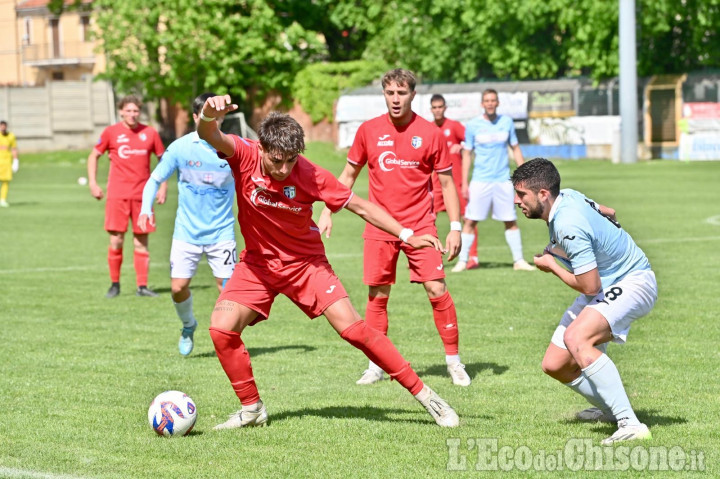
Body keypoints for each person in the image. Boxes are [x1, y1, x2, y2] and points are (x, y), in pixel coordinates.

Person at [197, 96, 459, 429]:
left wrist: (407, 234)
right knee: (221, 329)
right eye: (277, 161)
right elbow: (208, 133)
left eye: (291, 161)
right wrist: (208, 113)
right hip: (258, 265)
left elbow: (361, 207)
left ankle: (428, 397)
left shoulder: (310, 174)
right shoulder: (243, 153)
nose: (284, 169)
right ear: (261, 149)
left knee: (354, 330)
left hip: (307, 266)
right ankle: (252, 409)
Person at [319, 69, 471, 388]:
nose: (396, 99)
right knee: (377, 294)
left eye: (402, 93)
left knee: (437, 289)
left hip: (421, 225)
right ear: (384, 95)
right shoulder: (369, 131)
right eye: (390, 93)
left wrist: (455, 227)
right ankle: (376, 365)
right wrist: (327, 210)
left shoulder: (430, 134)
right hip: (379, 226)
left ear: (413, 95)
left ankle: (454, 362)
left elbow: (447, 183)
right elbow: (347, 176)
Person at [511, 158, 657, 444]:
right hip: (609, 281)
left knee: (578, 338)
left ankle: (630, 423)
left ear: (543, 194)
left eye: (522, 195)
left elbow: (590, 286)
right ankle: (610, 409)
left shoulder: (567, 224)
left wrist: (553, 265)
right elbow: (609, 212)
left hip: (632, 280)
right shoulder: (569, 196)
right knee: (555, 364)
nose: (517, 201)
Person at [138, 93, 236, 356]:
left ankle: (226, 338)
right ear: (196, 117)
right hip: (187, 233)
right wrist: (146, 208)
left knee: (227, 290)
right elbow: (154, 179)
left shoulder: (232, 148)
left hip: (222, 232)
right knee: (178, 287)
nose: (214, 120)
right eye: (208, 115)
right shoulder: (181, 148)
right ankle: (188, 325)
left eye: (219, 115)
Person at [87, 95, 166, 298]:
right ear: (121, 111)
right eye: (128, 111)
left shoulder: (149, 133)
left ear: (140, 112)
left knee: (141, 241)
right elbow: (93, 156)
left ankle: (142, 286)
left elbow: (164, 160)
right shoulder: (111, 133)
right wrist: (93, 183)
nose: (132, 114)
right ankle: (115, 284)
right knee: (116, 241)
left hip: (143, 197)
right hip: (117, 195)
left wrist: (163, 186)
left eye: (135, 111)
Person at [452, 88, 534, 272]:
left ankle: (519, 261)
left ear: (497, 103)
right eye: (487, 100)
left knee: (510, 220)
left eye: (493, 100)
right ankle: (463, 261)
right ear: (482, 104)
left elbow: (515, 148)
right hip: (480, 180)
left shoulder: (506, 123)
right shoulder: (473, 125)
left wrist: (524, 176)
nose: (490, 103)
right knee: (470, 221)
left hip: (503, 180)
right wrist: (465, 182)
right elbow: (467, 154)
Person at [429, 94, 479, 269]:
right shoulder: (427, 129)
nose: (437, 110)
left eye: (440, 107)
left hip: (455, 182)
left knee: (467, 218)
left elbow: (473, 143)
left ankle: (472, 257)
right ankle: (429, 257)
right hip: (434, 184)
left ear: (445, 108)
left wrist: (463, 146)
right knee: (428, 219)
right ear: (431, 109)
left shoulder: (454, 126)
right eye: (434, 107)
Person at [0, 120, 20, 208]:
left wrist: (16, 161)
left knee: (6, 181)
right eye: (1, 126)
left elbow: (14, 149)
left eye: (4, 127)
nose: (3, 128)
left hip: (7, 162)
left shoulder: (11, 136)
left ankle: (3, 200)